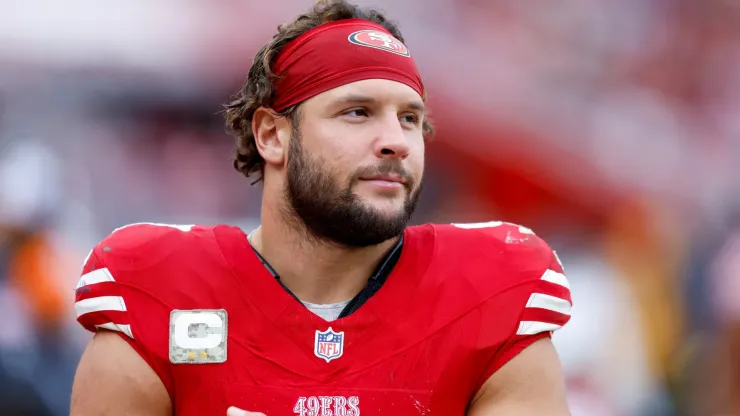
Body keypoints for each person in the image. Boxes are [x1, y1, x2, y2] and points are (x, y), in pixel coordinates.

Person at [70, 1, 573, 415]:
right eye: (357, 112)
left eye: (410, 118)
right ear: (272, 134)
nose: (396, 141)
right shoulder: (157, 291)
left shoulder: (491, 294)